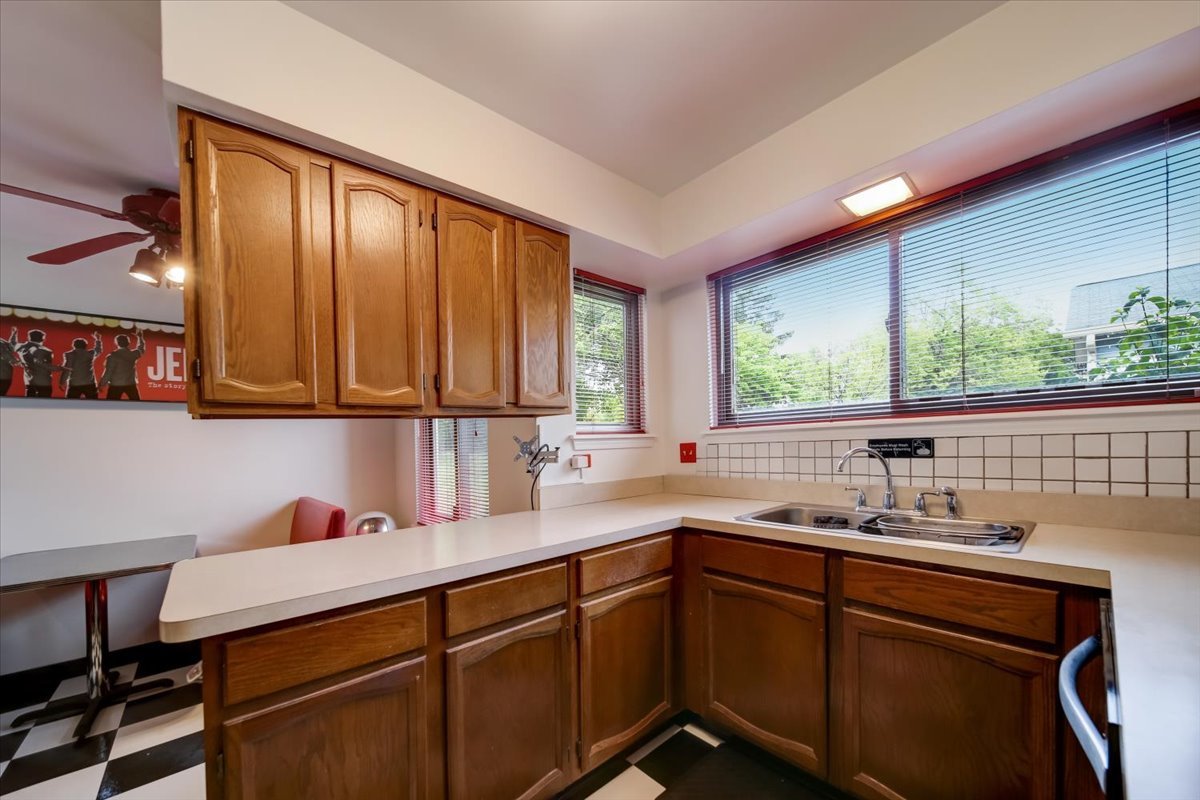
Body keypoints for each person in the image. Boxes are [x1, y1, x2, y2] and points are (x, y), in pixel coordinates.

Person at [100, 328, 145, 401]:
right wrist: (140, 337)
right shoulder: (133, 354)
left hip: (115, 385)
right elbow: (141, 348)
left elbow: (108, 372)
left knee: (110, 406)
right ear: (128, 342)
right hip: (130, 384)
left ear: (116, 343)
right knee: (136, 404)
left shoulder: (112, 356)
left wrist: (102, 384)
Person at [60, 332, 104, 399]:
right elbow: (98, 350)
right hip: (89, 383)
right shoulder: (90, 353)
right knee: (93, 403)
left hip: (74, 384)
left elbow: (67, 369)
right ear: (85, 346)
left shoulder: (69, 355)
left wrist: (62, 382)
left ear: (74, 345)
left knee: (71, 403)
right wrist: (98, 339)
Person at [15, 329, 56, 398]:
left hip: (29, 381)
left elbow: (13, 343)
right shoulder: (46, 351)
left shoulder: (21, 348)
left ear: (29, 337)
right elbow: (48, 367)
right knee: (44, 402)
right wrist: (61, 368)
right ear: (42, 339)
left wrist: (14, 334)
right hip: (44, 382)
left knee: (29, 402)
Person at [0, 327, 20, 397]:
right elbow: (5, 353)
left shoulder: (1, 341)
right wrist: (16, 361)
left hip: (6, 375)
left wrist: (13, 335)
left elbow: (11, 347)